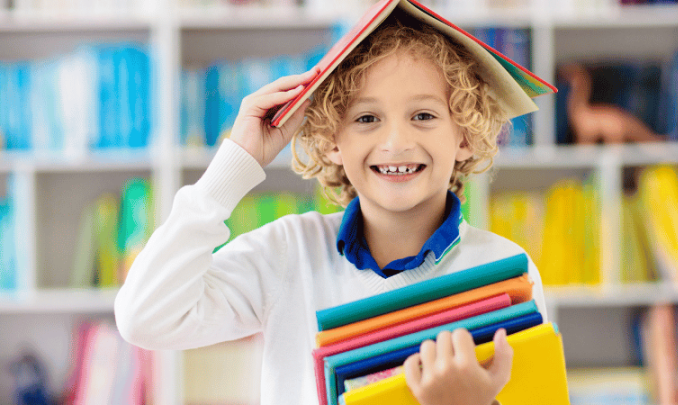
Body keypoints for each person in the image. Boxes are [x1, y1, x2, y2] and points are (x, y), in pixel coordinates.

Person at [115, 15, 548, 405]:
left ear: (465, 137)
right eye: (366, 119)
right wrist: (235, 164)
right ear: (331, 141)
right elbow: (145, 317)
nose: (395, 141)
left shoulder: (505, 270)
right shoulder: (287, 252)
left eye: (423, 115)